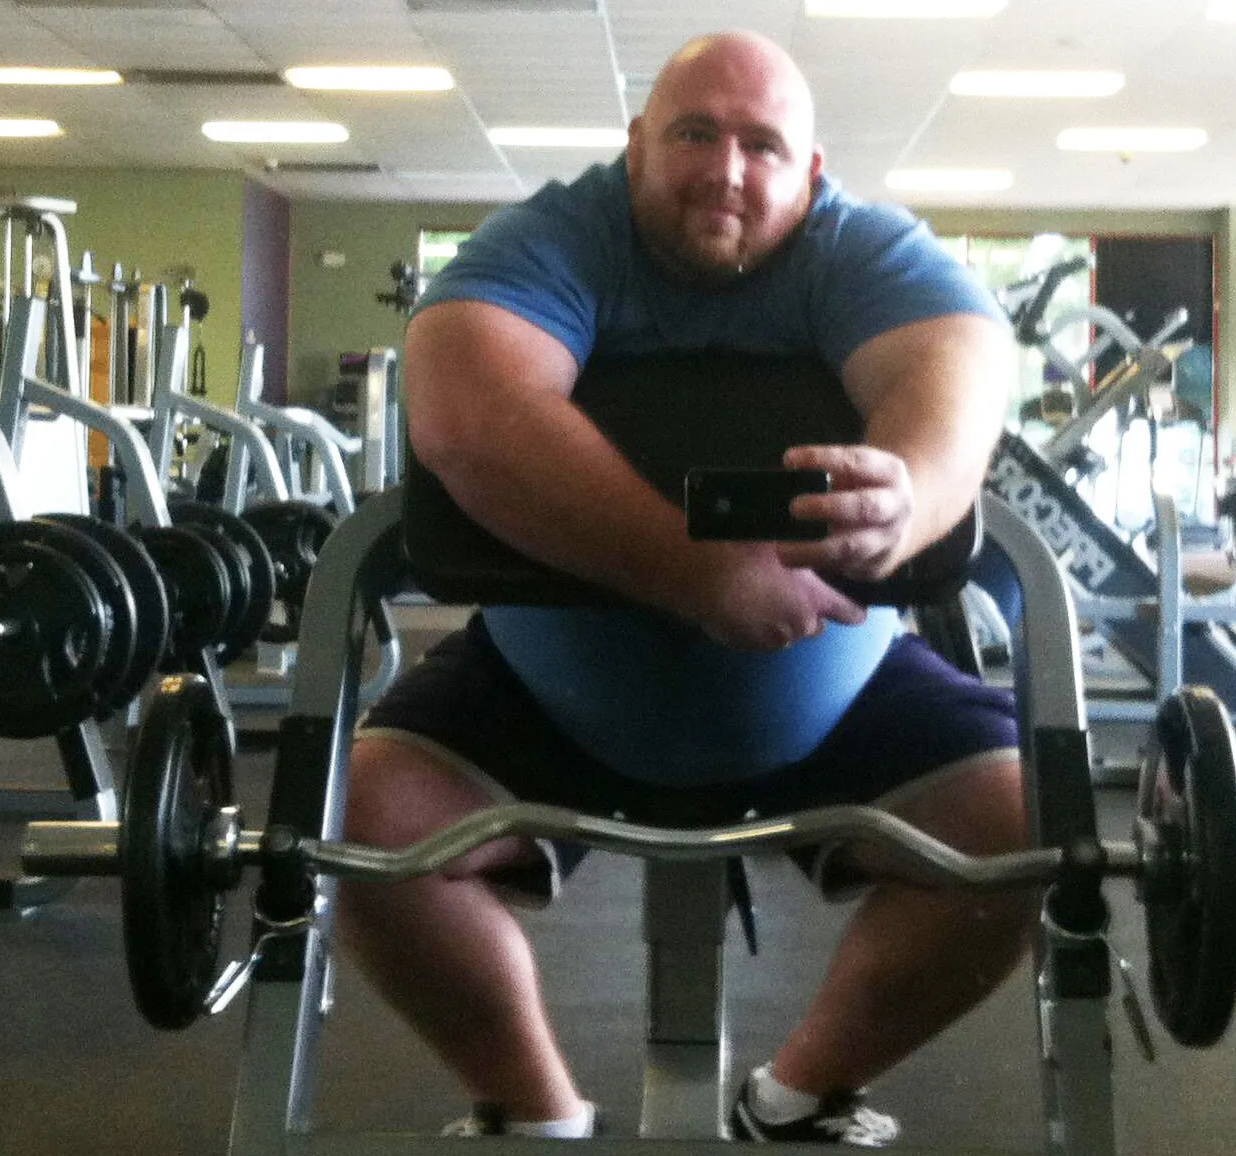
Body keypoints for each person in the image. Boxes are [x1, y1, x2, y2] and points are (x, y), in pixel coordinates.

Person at [341, 29, 1033, 1146]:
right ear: (636, 146)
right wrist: (694, 573)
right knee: (361, 829)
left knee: (1025, 829)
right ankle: (532, 1113)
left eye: (763, 146)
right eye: (695, 135)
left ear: (811, 171)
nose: (727, 170)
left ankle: (800, 1095)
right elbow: (467, 412)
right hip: (545, 689)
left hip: (842, 690)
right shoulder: (560, 237)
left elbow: (960, 366)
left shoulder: (858, 248)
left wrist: (905, 498)